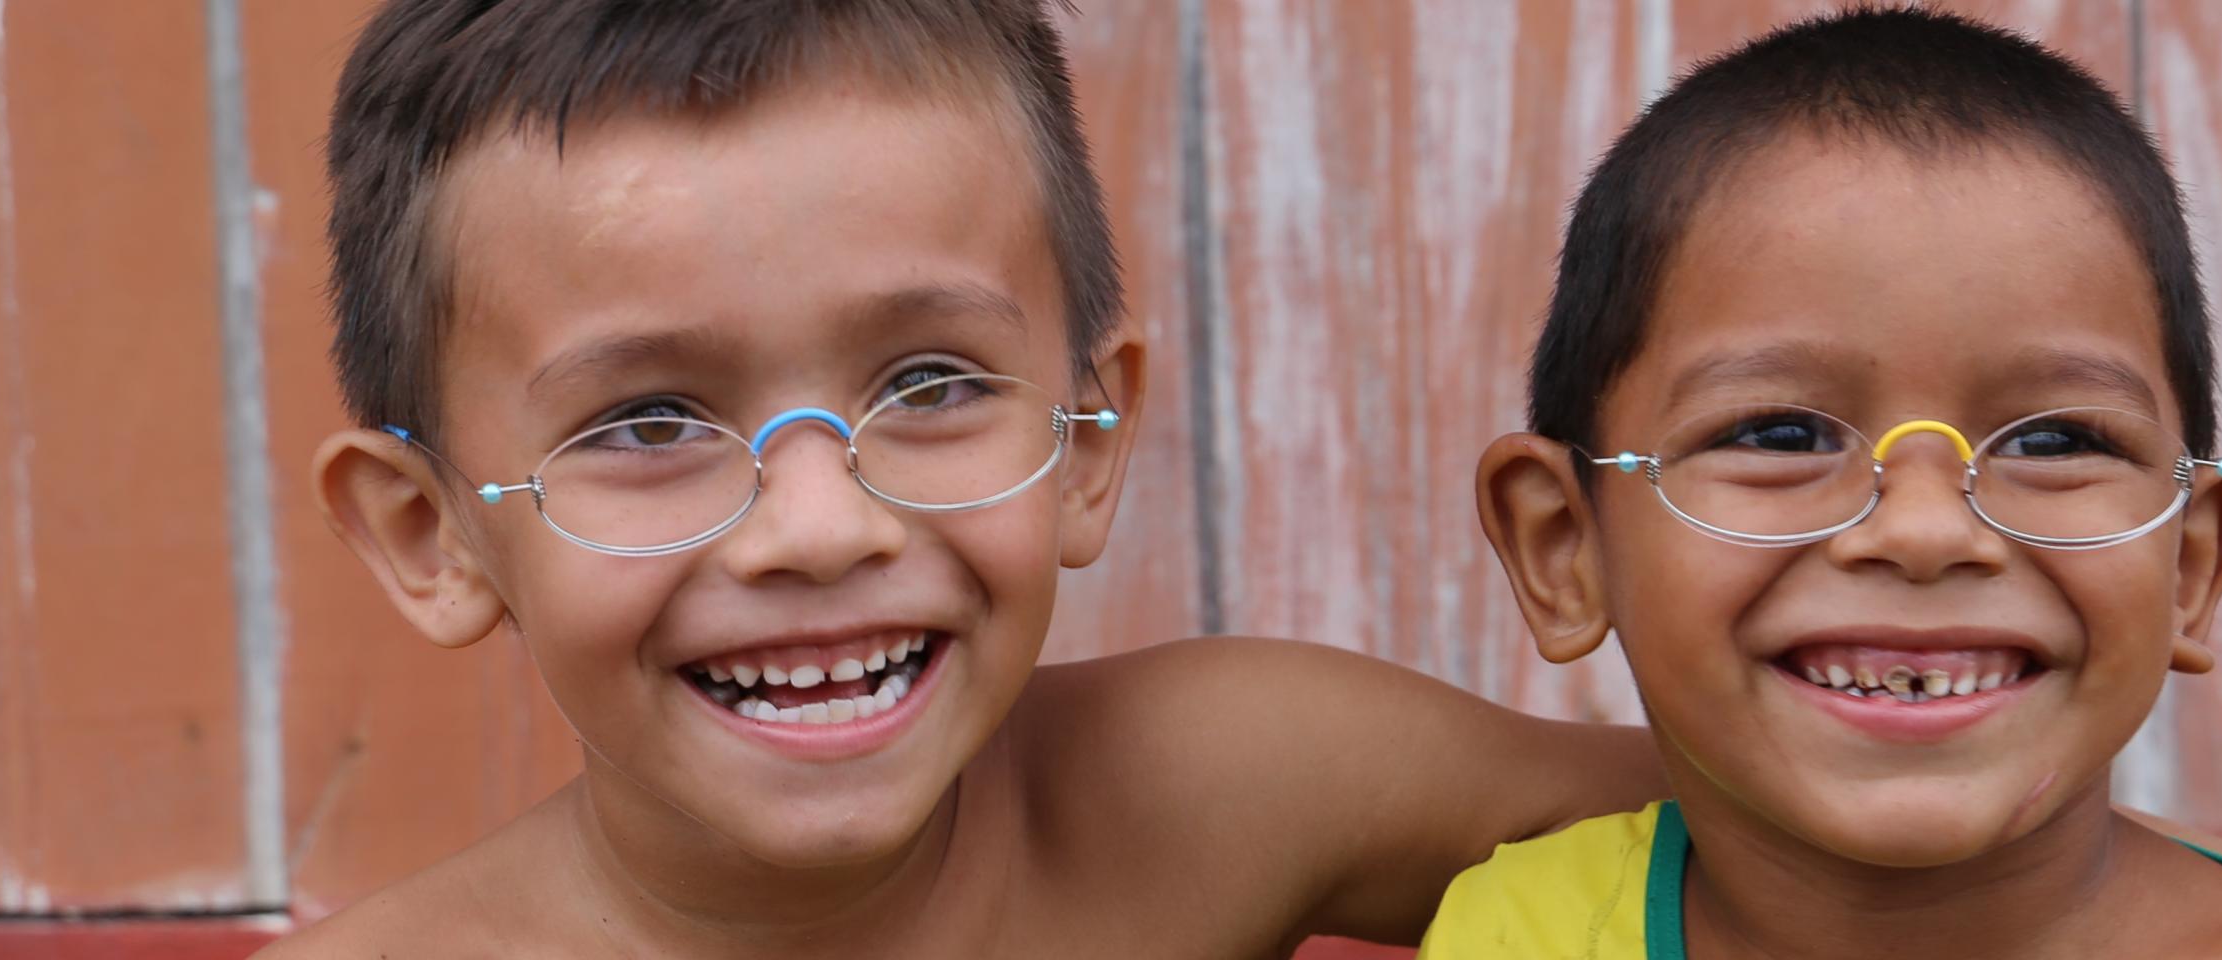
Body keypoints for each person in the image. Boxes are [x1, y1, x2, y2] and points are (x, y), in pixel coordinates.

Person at [258, 1, 1665, 955]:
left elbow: (1771, 843)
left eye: (928, 388)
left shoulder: (1232, 793)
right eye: (645, 425)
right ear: (431, 535)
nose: (818, 527)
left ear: (1086, 442)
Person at [1439, 9, 2222, 959]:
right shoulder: (1515, 929)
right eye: (1780, 434)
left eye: (2052, 442)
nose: (1923, 530)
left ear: (2193, 561)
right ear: (1563, 547)